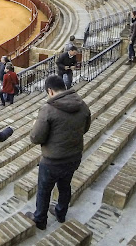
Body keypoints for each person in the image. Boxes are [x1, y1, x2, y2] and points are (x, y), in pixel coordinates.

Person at [25, 75, 91, 230]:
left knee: (44, 190)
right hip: (74, 156)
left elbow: (36, 138)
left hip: (52, 161)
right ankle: (61, 213)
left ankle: (40, 219)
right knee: (65, 185)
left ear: (50, 91)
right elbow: (85, 128)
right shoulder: (82, 105)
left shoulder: (47, 110)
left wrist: (35, 125)